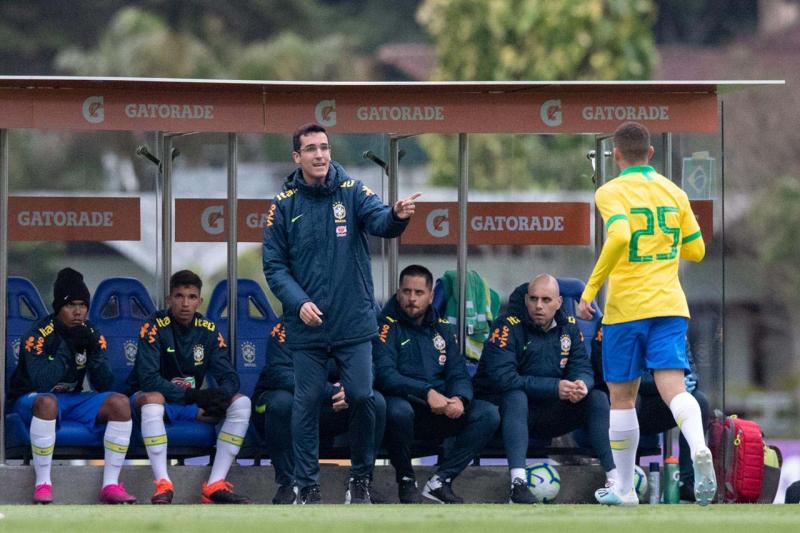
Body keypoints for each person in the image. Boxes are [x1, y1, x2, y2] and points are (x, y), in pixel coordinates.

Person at [262, 122, 420, 504]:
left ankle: (360, 480)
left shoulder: (351, 191)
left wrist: (397, 214)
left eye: (325, 147)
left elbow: (381, 222)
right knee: (305, 401)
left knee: (364, 396)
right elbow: (274, 267)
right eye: (312, 149)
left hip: (352, 322)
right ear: (297, 157)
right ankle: (307, 485)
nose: (320, 155)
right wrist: (299, 303)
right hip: (307, 326)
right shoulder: (283, 206)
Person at [577, 121, 714, 506]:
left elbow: (619, 235)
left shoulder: (611, 191)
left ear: (616, 154)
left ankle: (623, 488)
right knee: (675, 389)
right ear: (651, 153)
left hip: (627, 309)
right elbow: (697, 251)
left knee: (622, 397)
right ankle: (699, 445)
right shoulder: (674, 192)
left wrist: (590, 291)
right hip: (670, 305)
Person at [473, 274, 615, 504]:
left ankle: (615, 478)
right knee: (516, 396)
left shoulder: (569, 327)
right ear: (526, 299)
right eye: (534, 299)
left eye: (546, 300)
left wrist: (581, 384)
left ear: (559, 302)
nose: (539, 306)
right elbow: (504, 379)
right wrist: (555, 387)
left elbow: (582, 366)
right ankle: (518, 484)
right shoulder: (506, 327)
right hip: (505, 415)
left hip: (548, 414)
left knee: (596, 397)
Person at [373, 265, 500, 504]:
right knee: (397, 410)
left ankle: (441, 481)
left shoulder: (442, 328)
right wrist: (426, 392)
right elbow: (384, 375)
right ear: (398, 293)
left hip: (440, 409)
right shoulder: (386, 326)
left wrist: (460, 399)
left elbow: (458, 373)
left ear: (431, 296)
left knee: (487, 413)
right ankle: (406, 480)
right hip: (404, 409)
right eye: (407, 291)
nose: (412, 299)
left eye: (419, 293)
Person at [8, 267, 136, 504]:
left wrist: (95, 354)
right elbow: (42, 382)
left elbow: (104, 384)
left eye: (83, 305)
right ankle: (43, 484)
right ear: (59, 307)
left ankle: (110, 485)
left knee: (119, 402)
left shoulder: (91, 332)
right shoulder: (39, 334)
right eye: (71, 305)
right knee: (47, 402)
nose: (78, 311)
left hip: (72, 399)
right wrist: (69, 348)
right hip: (32, 399)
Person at [127, 270, 251, 504]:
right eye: (179, 296)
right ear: (169, 299)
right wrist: (195, 395)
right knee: (153, 399)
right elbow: (148, 379)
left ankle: (215, 484)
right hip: (154, 403)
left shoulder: (208, 329)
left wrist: (221, 396)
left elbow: (229, 375)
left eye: (192, 297)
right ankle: (162, 484)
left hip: (190, 405)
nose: (185, 303)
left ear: (199, 301)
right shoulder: (153, 326)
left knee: (241, 402)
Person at [251, 320, 387, 504]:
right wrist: (330, 392)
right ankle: (288, 484)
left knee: (375, 401)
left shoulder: (350, 324)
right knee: (280, 402)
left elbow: (368, 366)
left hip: (336, 407)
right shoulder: (286, 326)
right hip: (298, 405)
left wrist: (350, 389)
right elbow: (280, 373)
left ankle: (360, 482)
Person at [589, 325, 712, 501]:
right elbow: (605, 372)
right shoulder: (613, 321)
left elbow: (687, 363)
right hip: (630, 403)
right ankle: (619, 478)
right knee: (630, 398)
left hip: (656, 405)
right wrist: (668, 385)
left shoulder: (653, 320)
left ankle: (687, 482)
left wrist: (691, 380)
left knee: (700, 401)